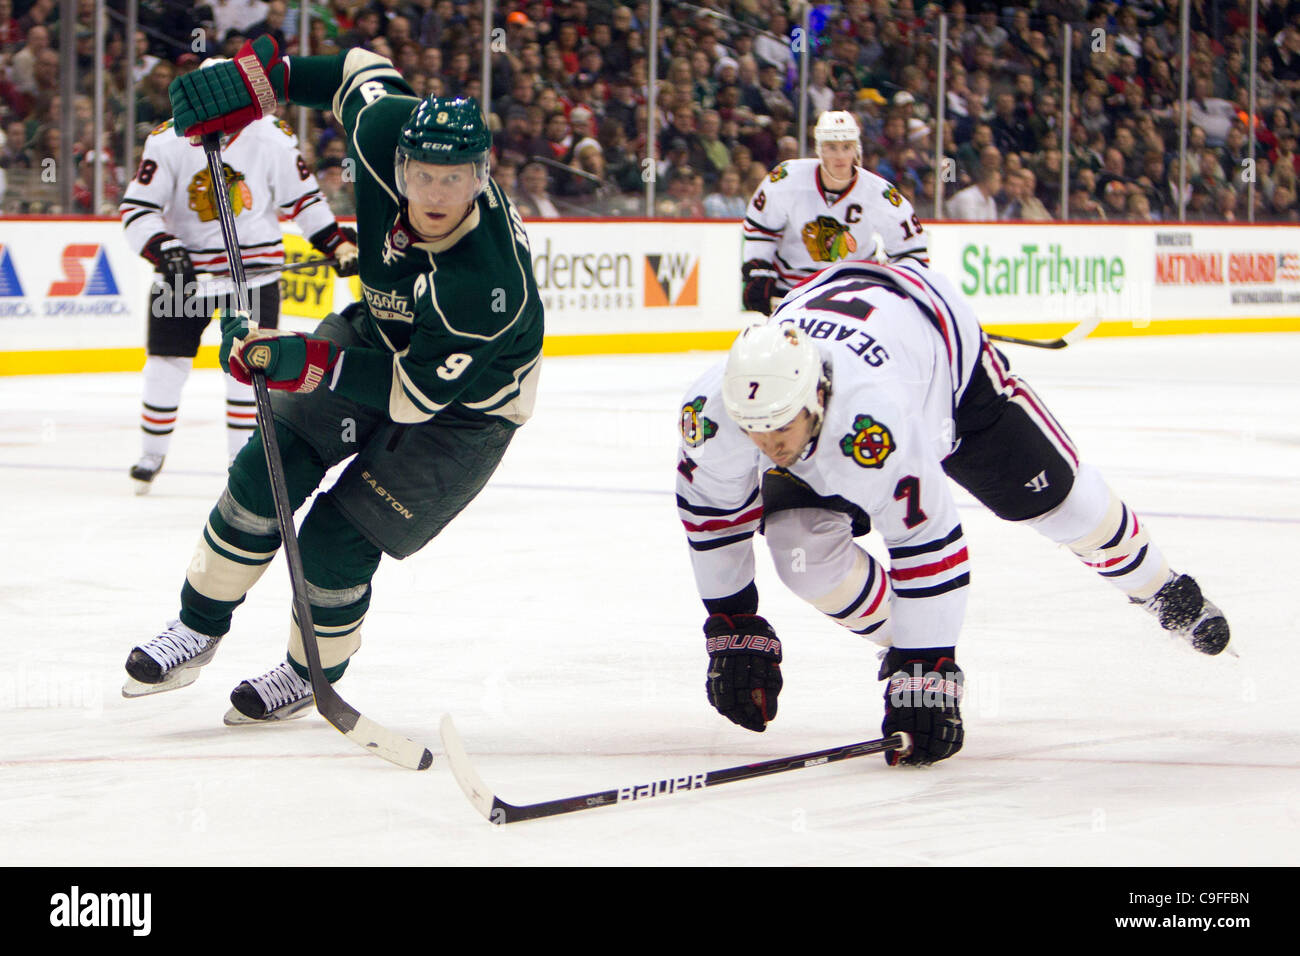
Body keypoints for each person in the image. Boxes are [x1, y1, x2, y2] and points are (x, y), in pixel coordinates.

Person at [120, 38, 544, 725]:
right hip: (375, 332)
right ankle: (197, 628)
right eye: (425, 175)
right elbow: (355, 69)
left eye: (457, 178)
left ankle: (302, 672)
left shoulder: (485, 283)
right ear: (399, 163)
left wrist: (303, 360)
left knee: (334, 541)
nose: (437, 194)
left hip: (466, 409)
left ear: (483, 177)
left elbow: (411, 396)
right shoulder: (383, 131)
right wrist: (256, 82)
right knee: (269, 466)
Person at [676, 259, 1230, 766]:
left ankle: (1159, 584)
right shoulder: (715, 414)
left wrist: (929, 666)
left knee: (1072, 510)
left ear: (817, 395)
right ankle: (900, 639)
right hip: (860, 339)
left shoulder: (872, 424)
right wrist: (733, 622)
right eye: (755, 429)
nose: (768, 444)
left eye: (780, 426)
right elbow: (710, 513)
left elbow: (927, 542)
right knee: (805, 560)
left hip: (949, 366)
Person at [120, 102, 358, 493]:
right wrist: (164, 247)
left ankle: (242, 461)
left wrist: (334, 242)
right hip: (184, 277)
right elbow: (137, 209)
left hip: (252, 274)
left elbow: (304, 200)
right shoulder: (167, 139)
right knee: (166, 364)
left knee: (250, 368)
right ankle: (151, 454)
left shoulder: (271, 136)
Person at [739, 111, 928, 316]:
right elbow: (760, 228)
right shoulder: (786, 179)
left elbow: (912, 249)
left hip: (854, 290)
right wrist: (759, 269)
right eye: (831, 147)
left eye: (846, 147)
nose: (840, 156)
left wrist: (903, 287)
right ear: (819, 149)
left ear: (856, 149)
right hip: (792, 290)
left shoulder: (878, 192)